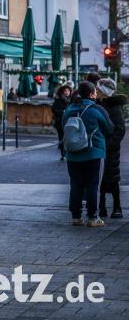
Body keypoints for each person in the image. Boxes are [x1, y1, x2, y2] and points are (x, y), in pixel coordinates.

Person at [61, 81, 113, 227]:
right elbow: (109, 128)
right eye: (95, 92)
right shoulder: (96, 109)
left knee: (76, 184)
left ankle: (76, 217)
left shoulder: (70, 109)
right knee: (93, 185)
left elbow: (63, 127)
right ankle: (92, 217)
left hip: (72, 154)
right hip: (93, 153)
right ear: (91, 94)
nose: (96, 95)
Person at [96, 78, 125, 218]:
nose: (96, 91)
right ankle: (101, 207)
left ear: (103, 91)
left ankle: (117, 207)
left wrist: (108, 145)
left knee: (113, 178)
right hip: (99, 146)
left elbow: (119, 130)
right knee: (99, 179)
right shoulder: (97, 104)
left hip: (110, 149)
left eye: (98, 89)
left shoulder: (114, 106)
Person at [51, 82, 74, 161]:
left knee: (69, 138)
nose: (67, 92)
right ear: (62, 92)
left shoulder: (72, 100)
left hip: (70, 122)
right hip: (60, 122)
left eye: (68, 91)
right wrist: (62, 112)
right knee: (61, 138)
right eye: (65, 91)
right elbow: (54, 110)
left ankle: (68, 153)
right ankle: (63, 154)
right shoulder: (58, 100)